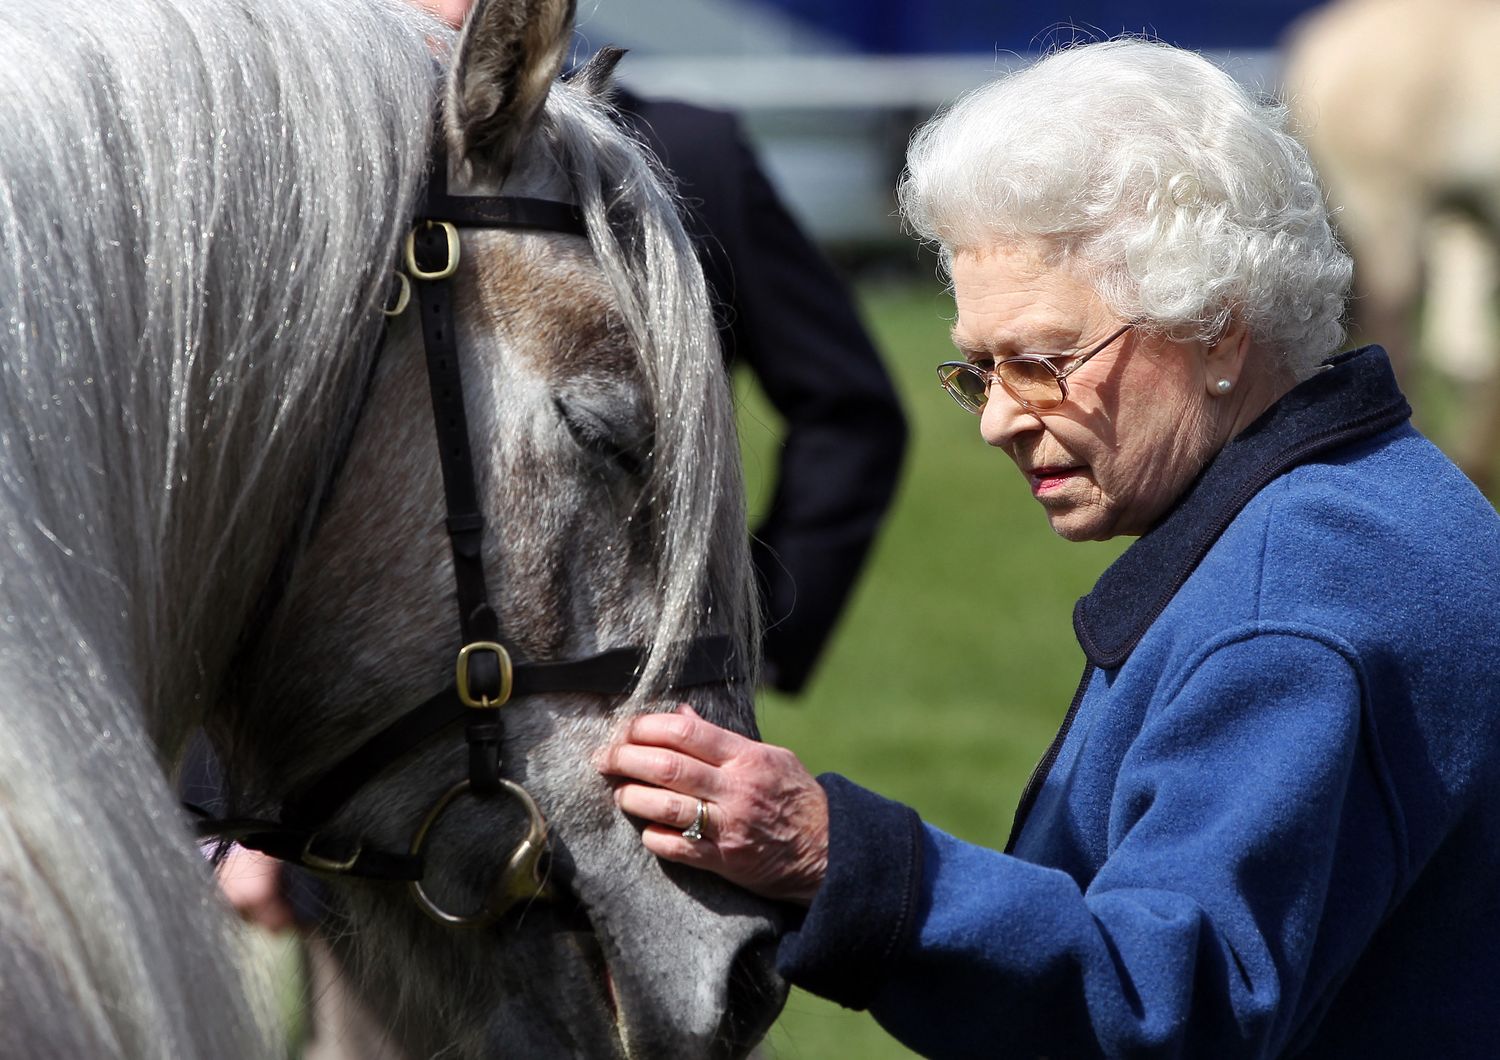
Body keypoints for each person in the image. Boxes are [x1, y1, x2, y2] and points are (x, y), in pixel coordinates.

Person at [597, 39, 1500, 1057]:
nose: (997, 421)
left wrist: (830, 854)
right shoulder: (1385, 492)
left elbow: (1166, 1010)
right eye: (979, 370)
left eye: (1043, 363)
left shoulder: (1286, 616)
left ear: (1218, 332)